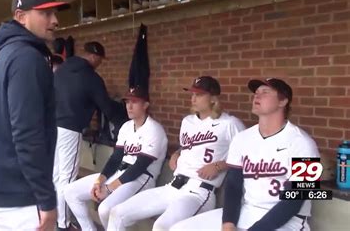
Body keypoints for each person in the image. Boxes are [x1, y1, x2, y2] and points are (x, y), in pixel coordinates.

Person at [0, 0, 68, 231]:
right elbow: (27, 133)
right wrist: (46, 199)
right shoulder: (27, 58)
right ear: (21, 17)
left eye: (55, 13)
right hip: (18, 196)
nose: (55, 20)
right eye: (45, 13)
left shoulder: (3, 54)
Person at [170, 78, 320, 231]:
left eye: (265, 92)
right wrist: (228, 224)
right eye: (256, 93)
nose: (257, 96)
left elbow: (295, 201)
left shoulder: (304, 144)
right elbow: (234, 186)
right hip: (247, 211)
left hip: (289, 221)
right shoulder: (242, 138)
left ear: (283, 102)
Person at [108, 76, 245, 231]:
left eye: (199, 95)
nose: (193, 98)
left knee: (161, 226)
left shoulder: (230, 123)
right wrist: (177, 153)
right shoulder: (187, 121)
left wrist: (220, 165)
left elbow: (247, 157)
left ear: (213, 98)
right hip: (173, 186)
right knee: (117, 213)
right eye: (192, 94)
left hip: (198, 192)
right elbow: (188, 147)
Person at [64, 86, 168, 230]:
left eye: (135, 102)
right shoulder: (126, 126)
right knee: (70, 191)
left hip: (141, 178)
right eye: (127, 102)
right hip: (120, 173)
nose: (129, 106)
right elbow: (116, 158)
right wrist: (100, 181)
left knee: (105, 209)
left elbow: (139, 167)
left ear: (145, 105)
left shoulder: (154, 129)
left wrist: (109, 188)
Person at [53, 41, 120, 230]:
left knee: (56, 175)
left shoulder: (62, 69)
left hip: (51, 126)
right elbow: (106, 107)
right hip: (70, 129)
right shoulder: (91, 77)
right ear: (94, 56)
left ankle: (55, 218)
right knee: (66, 179)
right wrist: (122, 114)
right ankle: (63, 224)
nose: (100, 63)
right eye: (100, 60)